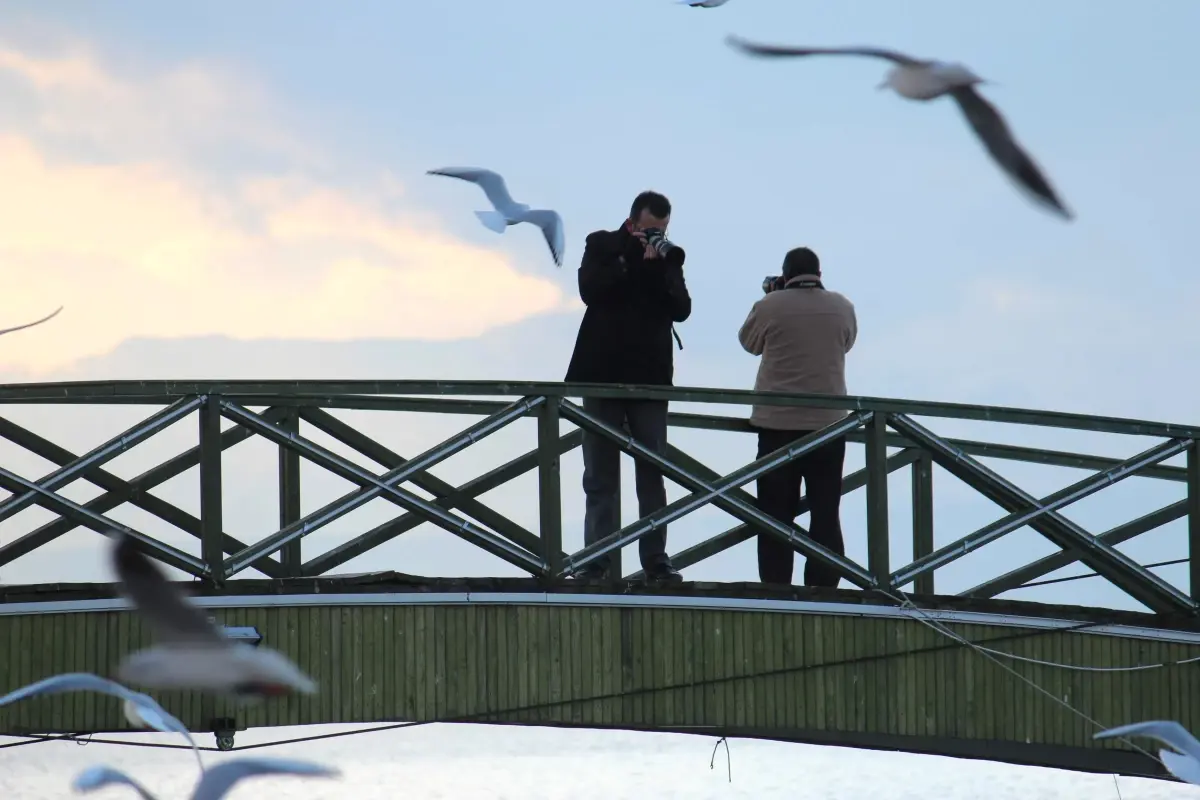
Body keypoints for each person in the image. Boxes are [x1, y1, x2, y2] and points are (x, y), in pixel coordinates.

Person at [564, 190, 692, 583]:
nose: (658, 235)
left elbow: (682, 310)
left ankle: (655, 559)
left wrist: (659, 268)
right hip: (602, 373)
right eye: (652, 229)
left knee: (653, 471)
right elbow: (590, 290)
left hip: (651, 379)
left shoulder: (666, 257)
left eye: (663, 230)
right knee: (600, 474)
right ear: (634, 222)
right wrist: (628, 260)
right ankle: (597, 559)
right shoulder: (602, 244)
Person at [737, 246, 857, 587]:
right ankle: (823, 589)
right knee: (825, 513)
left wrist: (775, 297)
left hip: (776, 426)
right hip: (829, 427)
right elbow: (846, 343)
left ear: (785, 275)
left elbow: (748, 342)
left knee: (774, 516)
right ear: (819, 275)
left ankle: (776, 588)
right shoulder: (843, 307)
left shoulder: (769, 306)